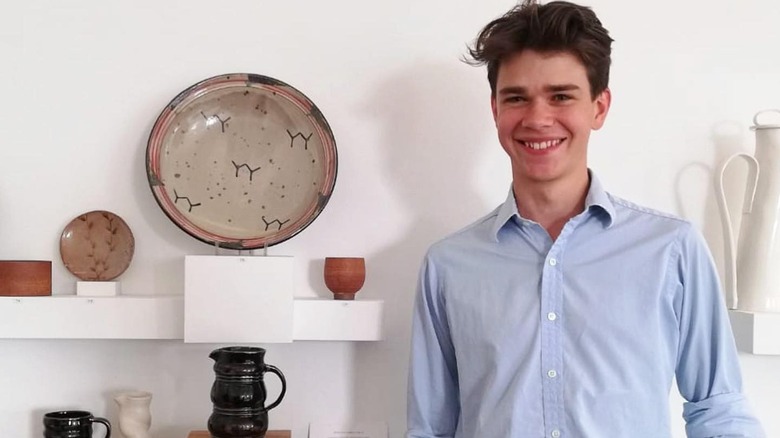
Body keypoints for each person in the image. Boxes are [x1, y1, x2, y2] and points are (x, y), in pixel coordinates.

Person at [405, 1, 765, 437]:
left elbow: (718, 408)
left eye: (561, 96)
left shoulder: (672, 250)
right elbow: (429, 428)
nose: (538, 118)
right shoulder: (449, 265)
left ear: (599, 106)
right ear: (496, 110)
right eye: (516, 97)